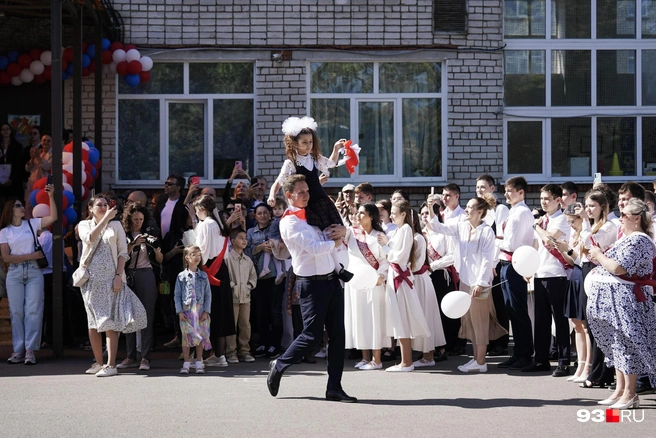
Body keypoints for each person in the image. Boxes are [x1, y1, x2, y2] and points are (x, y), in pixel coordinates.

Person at [267, 174, 356, 402]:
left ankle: (334, 388)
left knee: (338, 336)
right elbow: (314, 248)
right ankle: (280, 363)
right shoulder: (289, 222)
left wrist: (340, 235)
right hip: (311, 285)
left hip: (331, 281)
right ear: (288, 195)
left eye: (308, 191)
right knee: (311, 337)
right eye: (301, 192)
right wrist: (335, 242)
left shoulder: (311, 215)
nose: (306, 196)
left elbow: (329, 237)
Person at [586, 198, 656, 409]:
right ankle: (620, 390)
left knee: (628, 347)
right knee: (618, 346)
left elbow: (618, 268)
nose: (620, 219)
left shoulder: (639, 240)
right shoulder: (627, 239)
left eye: (624, 215)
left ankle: (630, 393)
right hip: (616, 303)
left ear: (636, 218)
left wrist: (598, 255)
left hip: (628, 303)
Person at [267, 116, 353, 282]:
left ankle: (338, 268)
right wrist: (272, 195)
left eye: (310, 142)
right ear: (295, 143)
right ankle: (333, 268)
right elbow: (279, 182)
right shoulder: (290, 163)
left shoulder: (314, 158)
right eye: (304, 142)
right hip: (307, 202)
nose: (308, 145)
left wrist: (335, 149)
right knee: (319, 233)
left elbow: (331, 164)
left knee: (333, 230)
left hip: (320, 199)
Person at [428, 194, 506, 373]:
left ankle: (481, 362)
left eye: (470, 207)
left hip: (479, 284)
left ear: (480, 212)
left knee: (480, 322)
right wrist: (433, 208)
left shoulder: (486, 231)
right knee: (469, 321)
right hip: (465, 281)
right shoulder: (461, 226)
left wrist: (480, 282)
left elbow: (487, 260)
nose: (466, 209)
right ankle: (476, 359)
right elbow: (438, 227)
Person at [77, 194, 147, 376]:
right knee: (92, 323)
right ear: (90, 208)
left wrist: (118, 276)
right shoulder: (84, 225)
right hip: (91, 280)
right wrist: (105, 219)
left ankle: (111, 365)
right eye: (99, 205)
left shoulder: (115, 225)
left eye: (105, 205)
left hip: (111, 280)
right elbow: (90, 238)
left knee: (110, 321)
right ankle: (98, 363)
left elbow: (123, 253)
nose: (103, 207)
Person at [0, 186, 58, 365]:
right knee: (16, 311)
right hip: (15, 272)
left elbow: (53, 217)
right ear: (11, 210)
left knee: (33, 310)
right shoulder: (5, 232)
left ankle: (29, 350)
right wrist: (30, 256)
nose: (22, 208)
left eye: (21, 205)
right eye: (18, 206)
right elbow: (6, 257)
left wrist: (51, 196)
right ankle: (18, 349)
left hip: (34, 271)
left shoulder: (31, 223)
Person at [377, 199, 431, 372]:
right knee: (398, 316)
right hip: (396, 276)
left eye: (394, 212)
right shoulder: (400, 230)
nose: (391, 215)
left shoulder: (406, 229)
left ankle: (406, 362)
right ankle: (404, 361)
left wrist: (385, 246)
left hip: (399, 277)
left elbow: (398, 257)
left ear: (403, 214)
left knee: (401, 317)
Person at [576, 190, 617, 389]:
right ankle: (598, 371)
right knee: (590, 323)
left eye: (593, 206)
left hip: (600, 272)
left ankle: (602, 373)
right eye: (587, 205)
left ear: (603, 207)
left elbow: (588, 242)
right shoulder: (592, 225)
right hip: (587, 271)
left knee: (599, 324)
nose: (589, 210)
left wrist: (583, 223)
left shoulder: (609, 226)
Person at [530, 184, 572, 376]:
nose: (543, 202)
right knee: (541, 320)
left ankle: (563, 361)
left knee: (560, 320)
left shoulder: (561, 219)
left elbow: (550, 240)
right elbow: (536, 245)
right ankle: (540, 359)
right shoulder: (542, 221)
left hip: (556, 274)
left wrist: (537, 226)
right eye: (542, 199)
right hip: (540, 273)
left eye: (547, 199)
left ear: (558, 200)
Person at [116, 205, 163, 372]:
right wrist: (133, 244)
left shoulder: (151, 233)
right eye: (135, 219)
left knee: (147, 316)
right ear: (129, 220)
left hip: (147, 275)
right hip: (128, 275)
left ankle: (145, 357)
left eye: (141, 219)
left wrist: (156, 248)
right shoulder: (123, 235)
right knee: (128, 315)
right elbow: (120, 256)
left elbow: (160, 259)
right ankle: (130, 356)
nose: (138, 222)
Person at [189, 195, 234, 367]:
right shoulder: (218, 223)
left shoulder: (206, 224)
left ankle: (204, 355)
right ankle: (219, 355)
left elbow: (203, 250)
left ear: (201, 209)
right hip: (221, 268)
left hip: (209, 269)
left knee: (207, 312)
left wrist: (195, 267)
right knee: (219, 311)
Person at [495, 176, 535, 371]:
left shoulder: (521, 213)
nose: (506, 194)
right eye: (506, 191)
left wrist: (493, 240)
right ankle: (518, 352)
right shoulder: (514, 212)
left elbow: (511, 244)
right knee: (511, 309)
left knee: (518, 311)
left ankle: (525, 354)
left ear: (521, 192)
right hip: (506, 263)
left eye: (510, 191)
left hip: (514, 264)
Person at [344, 203, 390, 370]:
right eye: (357, 213)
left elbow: (386, 260)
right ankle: (364, 358)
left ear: (371, 216)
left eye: (362, 213)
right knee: (360, 319)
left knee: (374, 319)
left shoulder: (379, 236)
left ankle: (376, 359)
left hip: (374, 283)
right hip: (356, 283)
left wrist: (381, 276)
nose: (358, 216)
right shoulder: (351, 233)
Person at [475, 174, 510, 356]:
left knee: (498, 303)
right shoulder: (477, 210)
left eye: (483, 187)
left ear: (492, 188)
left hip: (495, 262)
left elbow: (500, 238)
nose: (480, 190)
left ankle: (501, 341)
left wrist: (494, 264)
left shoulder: (500, 209)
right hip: (480, 263)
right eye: (478, 187)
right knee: (484, 304)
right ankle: (486, 340)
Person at [554, 203, 589, 383]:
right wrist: (563, 250)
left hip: (584, 275)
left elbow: (582, 259)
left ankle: (587, 366)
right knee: (575, 323)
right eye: (568, 222)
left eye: (573, 221)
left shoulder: (586, 234)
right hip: (575, 274)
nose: (571, 226)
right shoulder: (574, 234)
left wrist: (567, 249)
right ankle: (580, 364)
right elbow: (571, 260)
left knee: (584, 324)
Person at [247, 203, 286, 359]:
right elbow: (246, 251)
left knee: (275, 311)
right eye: (259, 213)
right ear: (255, 216)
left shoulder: (276, 228)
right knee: (261, 312)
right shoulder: (251, 232)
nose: (262, 215)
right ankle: (263, 342)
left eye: (265, 213)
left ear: (270, 214)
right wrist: (260, 248)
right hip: (258, 276)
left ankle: (275, 345)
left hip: (276, 276)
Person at [409, 208, 446, 368]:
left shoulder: (418, 238)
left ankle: (428, 356)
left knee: (425, 317)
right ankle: (424, 354)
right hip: (412, 280)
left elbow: (415, 264)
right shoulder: (409, 236)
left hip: (418, 280)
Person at [174, 245, 212, 375]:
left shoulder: (203, 276)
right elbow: (177, 295)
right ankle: (186, 362)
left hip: (200, 310)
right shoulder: (181, 276)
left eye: (199, 255)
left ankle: (199, 361)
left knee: (199, 336)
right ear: (187, 258)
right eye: (194, 255)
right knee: (186, 336)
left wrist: (206, 311)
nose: (197, 257)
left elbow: (208, 295)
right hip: (187, 309)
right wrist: (179, 311)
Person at [225, 229, 257, 364]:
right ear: (233, 241)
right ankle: (231, 352)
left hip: (246, 298)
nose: (244, 241)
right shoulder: (227, 259)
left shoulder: (248, 260)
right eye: (240, 238)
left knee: (245, 325)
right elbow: (225, 277)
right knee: (231, 324)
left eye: (245, 238)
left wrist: (249, 286)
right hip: (232, 297)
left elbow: (253, 276)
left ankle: (244, 351)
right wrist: (234, 286)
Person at [24, 133, 52, 215]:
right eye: (44, 140)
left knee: (40, 211)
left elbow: (47, 167)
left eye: (48, 141)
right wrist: (32, 159)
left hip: (42, 187)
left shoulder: (53, 155)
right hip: (32, 185)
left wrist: (38, 158)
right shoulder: (38, 152)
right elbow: (27, 168)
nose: (46, 142)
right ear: (40, 142)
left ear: (52, 143)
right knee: (28, 210)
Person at [0, 124, 25, 206]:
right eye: (3, 129)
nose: (5, 131)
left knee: (12, 204)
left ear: (11, 131)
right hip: (1, 180)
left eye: (7, 129)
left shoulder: (17, 146)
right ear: (0, 132)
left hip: (14, 181)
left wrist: (11, 179)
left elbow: (18, 164)